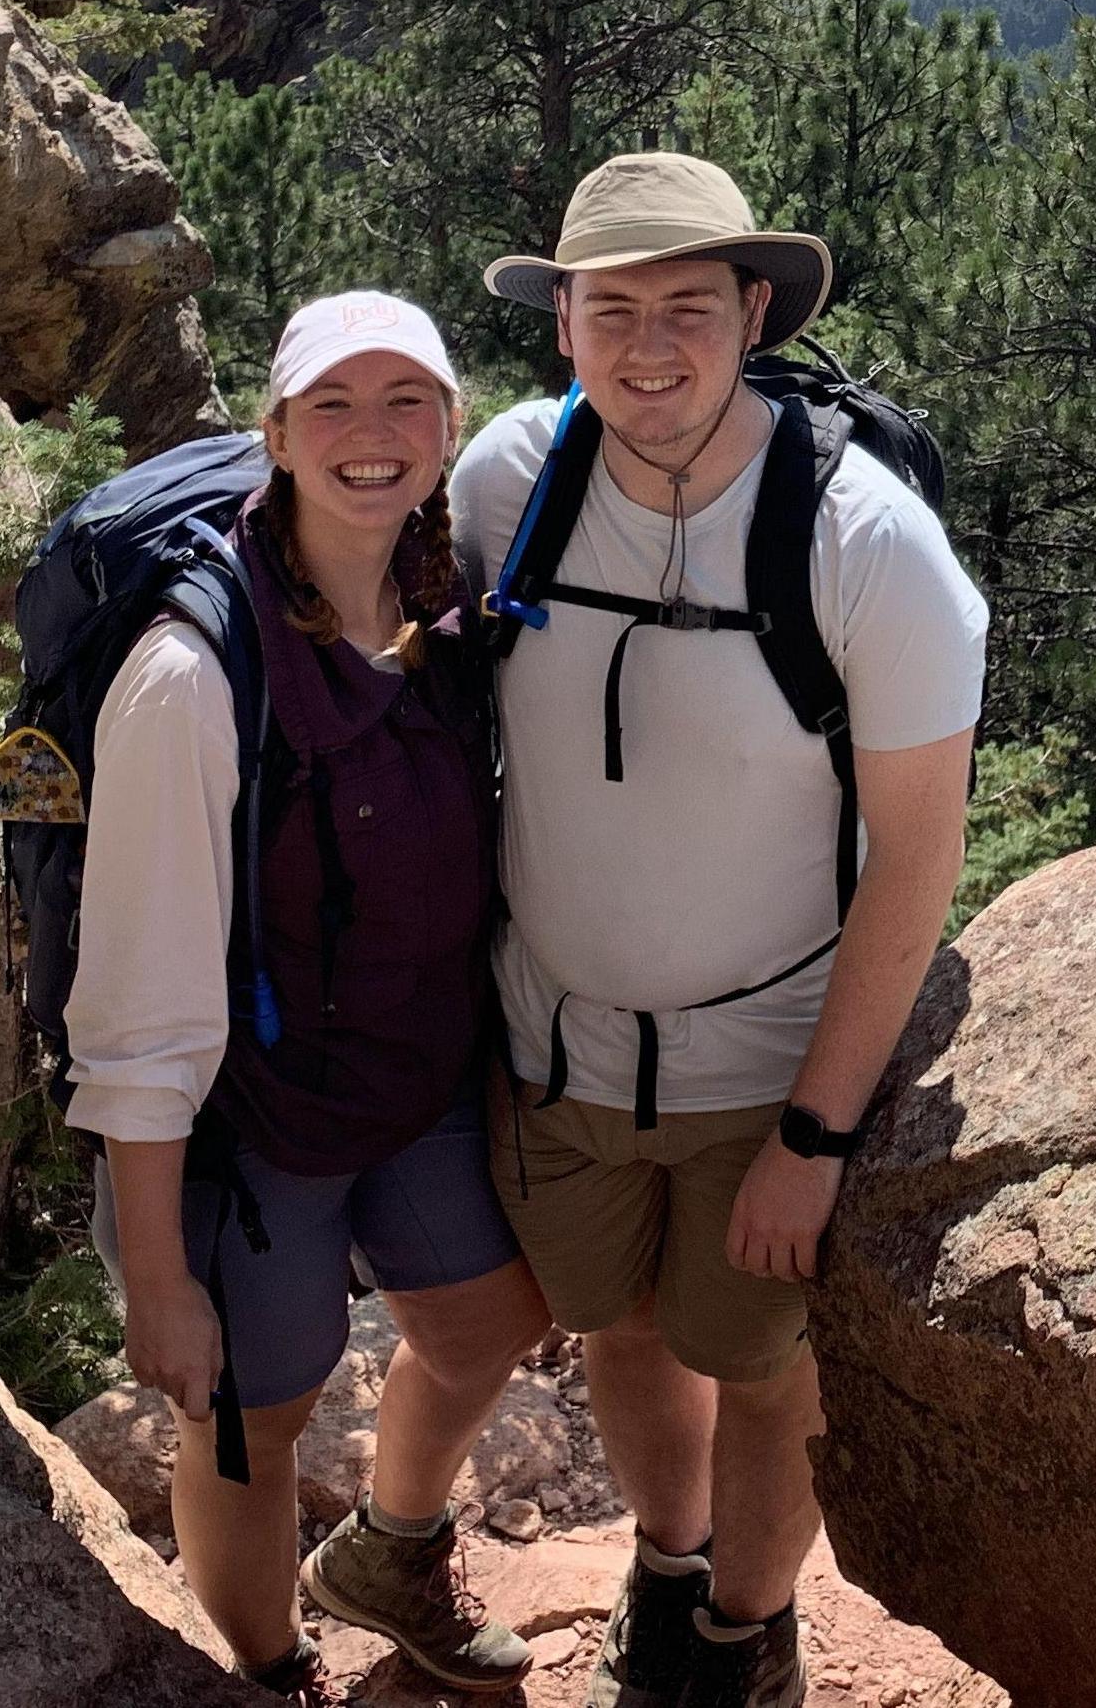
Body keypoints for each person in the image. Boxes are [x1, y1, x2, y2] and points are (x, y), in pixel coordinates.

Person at [457, 153, 983, 1708]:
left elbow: (916, 858)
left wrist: (816, 1137)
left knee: (763, 1366)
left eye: (688, 305)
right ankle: (671, 1570)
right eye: (609, 307)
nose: (649, 345)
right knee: (619, 1324)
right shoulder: (508, 485)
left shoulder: (865, 541)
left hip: (767, 1067)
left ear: (754, 312)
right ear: (563, 321)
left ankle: (747, 1636)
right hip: (556, 1049)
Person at [67, 293, 548, 1703]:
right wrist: (158, 1276)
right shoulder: (190, 673)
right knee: (251, 1422)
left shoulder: (449, 607)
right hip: (244, 1129)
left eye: (409, 399)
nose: (373, 433)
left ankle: (390, 1551)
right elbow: (140, 1004)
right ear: (273, 434)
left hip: (409, 1079)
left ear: (449, 428)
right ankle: (271, 1672)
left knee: (487, 1321)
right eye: (333, 402)